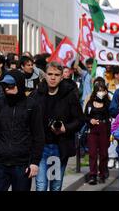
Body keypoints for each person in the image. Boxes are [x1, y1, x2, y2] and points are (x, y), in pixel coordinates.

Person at [0, 70, 44, 191]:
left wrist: (34, 162)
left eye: (11, 85)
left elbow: (38, 137)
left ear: (19, 84)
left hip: (22, 165)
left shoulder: (32, 106)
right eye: (4, 85)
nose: (7, 88)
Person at [30, 61, 83, 191]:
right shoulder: (37, 94)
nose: (53, 78)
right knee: (41, 186)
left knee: (55, 186)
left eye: (56, 75)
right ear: (45, 75)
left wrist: (66, 128)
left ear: (61, 76)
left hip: (59, 147)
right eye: (50, 74)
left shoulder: (69, 95)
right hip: (41, 148)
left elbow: (79, 120)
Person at [84, 79, 111, 185]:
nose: (101, 92)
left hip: (104, 129)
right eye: (99, 90)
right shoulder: (90, 103)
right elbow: (85, 116)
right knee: (92, 154)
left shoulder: (108, 103)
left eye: (103, 90)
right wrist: (90, 120)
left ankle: (103, 173)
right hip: (92, 130)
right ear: (95, 91)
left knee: (104, 154)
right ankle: (93, 175)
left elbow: (112, 114)